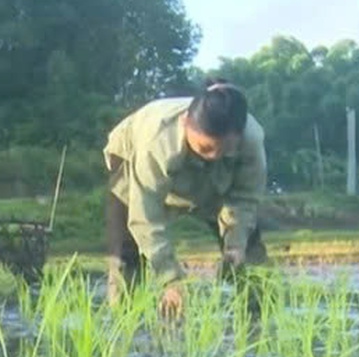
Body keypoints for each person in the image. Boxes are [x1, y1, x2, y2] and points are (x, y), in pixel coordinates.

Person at [104, 79, 268, 317]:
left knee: (249, 253)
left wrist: (236, 244)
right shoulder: (156, 142)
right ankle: (124, 327)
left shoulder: (251, 140)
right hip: (131, 161)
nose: (213, 156)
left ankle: (258, 318)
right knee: (126, 255)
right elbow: (145, 217)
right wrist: (170, 279)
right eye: (206, 149)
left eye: (222, 151)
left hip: (216, 183)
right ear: (185, 123)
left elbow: (245, 199)